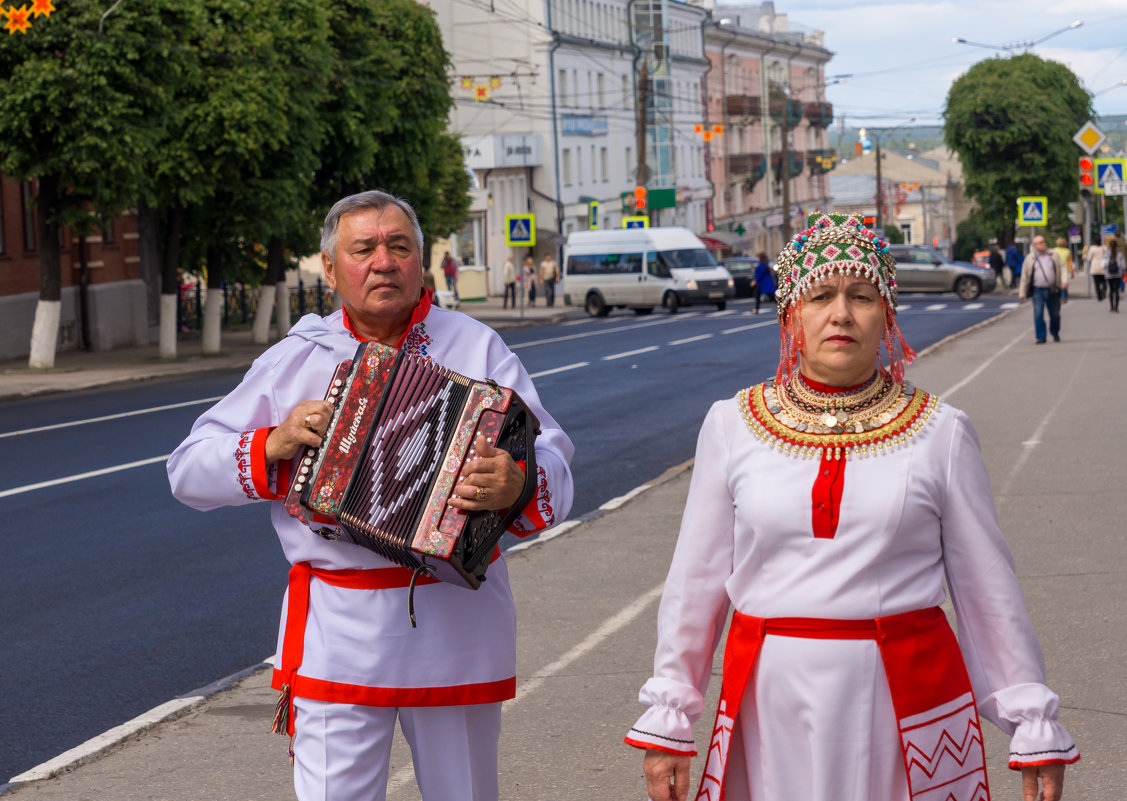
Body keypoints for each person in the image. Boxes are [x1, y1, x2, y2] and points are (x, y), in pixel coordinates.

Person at [626, 212, 1078, 801]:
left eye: (861, 296)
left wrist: (1030, 723)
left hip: (904, 704)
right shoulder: (732, 425)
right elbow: (696, 582)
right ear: (792, 314)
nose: (841, 313)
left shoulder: (940, 432)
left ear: (886, 314)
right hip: (771, 703)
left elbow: (987, 590)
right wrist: (670, 719)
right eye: (821, 296)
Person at [167, 190, 574, 801]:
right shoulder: (298, 358)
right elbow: (186, 470)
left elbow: (554, 458)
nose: (384, 262)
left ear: (420, 261)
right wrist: (273, 444)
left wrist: (516, 484)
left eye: (399, 246)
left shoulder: (476, 346)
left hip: (457, 622)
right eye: (364, 249)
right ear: (330, 269)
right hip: (339, 632)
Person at [1019, 236, 1064, 344]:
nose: (1042, 244)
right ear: (1035, 246)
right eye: (1039, 243)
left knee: (1055, 314)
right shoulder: (1030, 258)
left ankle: (1055, 332)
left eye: (1043, 241)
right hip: (1037, 290)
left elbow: (1062, 268)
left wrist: (1065, 281)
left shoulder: (1053, 255)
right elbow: (1024, 276)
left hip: (1052, 289)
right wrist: (1022, 292)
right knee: (1038, 314)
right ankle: (1041, 337)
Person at [1051, 237, 1073, 304]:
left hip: (1056, 269)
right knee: (1064, 284)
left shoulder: (1054, 250)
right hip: (1065, 270)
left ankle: (1058, 297)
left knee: (1057, 284)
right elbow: (1070, 262)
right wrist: (1072, 271)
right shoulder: (1067, 251)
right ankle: (1064, 298)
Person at [1106, 238, 1124, 313]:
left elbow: (1103, 264)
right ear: (1116, 246)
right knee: (1116, 291)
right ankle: (1116, 308)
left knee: (1111, 290)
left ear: (1109, 246)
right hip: (1117, 274)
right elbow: (1122, 265)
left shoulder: (1107, 254)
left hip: (1109, 275)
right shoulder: (1119, 254)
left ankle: (1111, 307)